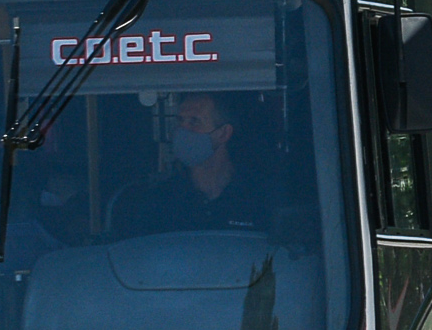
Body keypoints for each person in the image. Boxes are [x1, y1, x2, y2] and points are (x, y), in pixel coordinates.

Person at [110, 92, 295, 239]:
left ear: (223, 133)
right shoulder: (159, 200)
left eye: (194, 122)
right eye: (180, 121)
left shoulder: (263, 197)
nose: (183, 131)